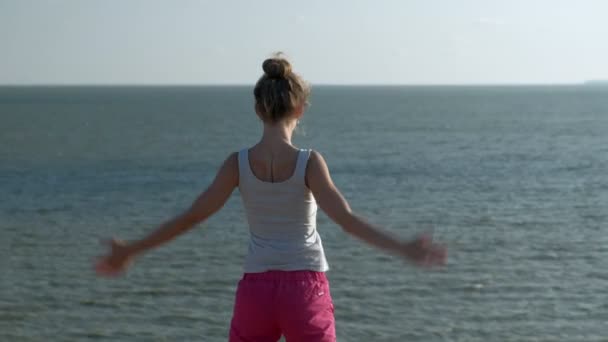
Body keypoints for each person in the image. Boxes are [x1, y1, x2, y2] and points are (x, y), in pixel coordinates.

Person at [96, 53, 447, 342]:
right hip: (305, 288)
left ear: (257, 109)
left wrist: (130, 250)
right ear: (300, 110)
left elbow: (192, 217)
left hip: (256, 290)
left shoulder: (238, 164)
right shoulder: (309, 162)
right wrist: (404, 248)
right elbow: (346, 220)